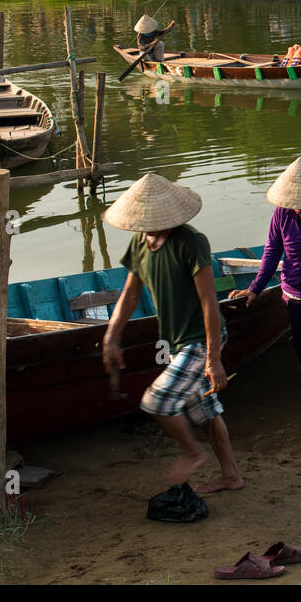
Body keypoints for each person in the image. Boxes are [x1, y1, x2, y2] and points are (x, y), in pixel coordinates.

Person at [102, 174, 243, 493]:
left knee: (157, 400)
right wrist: (111, 336)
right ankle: (232, 476)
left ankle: (193, 452)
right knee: (206, 411)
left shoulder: (191, 241)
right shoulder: (140, 243)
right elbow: (130, 294)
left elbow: (209, 301)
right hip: (180, 341)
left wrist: (214, 358)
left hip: (202, 339)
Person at [229, 157, 301, 401]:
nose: (299, 207)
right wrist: (255, 288)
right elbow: (271, 252)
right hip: (293, 294)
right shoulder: (282, 215)